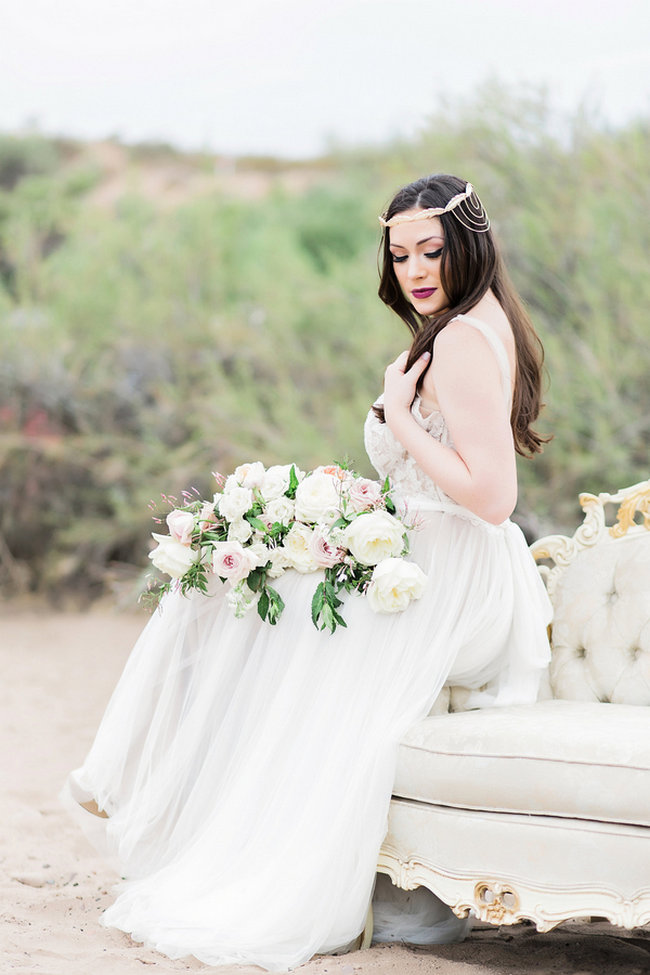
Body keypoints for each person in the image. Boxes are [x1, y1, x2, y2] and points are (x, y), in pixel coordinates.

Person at [63, 173, 552, 970]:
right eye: (399, 255)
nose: (416, 270)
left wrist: (397, 418)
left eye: (432, 250)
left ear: (471, 245)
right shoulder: (468, 324)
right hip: (431, 559)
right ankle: (140, 788)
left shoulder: (462, 338)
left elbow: (494, 497)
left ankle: (131, 785)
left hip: (455, 575)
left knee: (232, 604)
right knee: (235, 589)